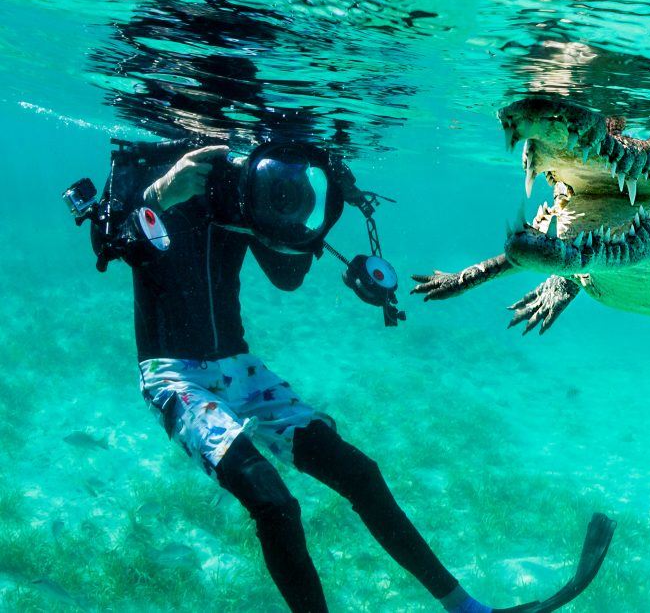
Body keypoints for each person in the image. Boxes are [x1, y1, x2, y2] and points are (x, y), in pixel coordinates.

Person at [125, 141, 611, 613]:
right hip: (173, 373)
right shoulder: (146, 159)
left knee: (361, 473)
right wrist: (161, 193)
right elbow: (108, 242)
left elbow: (286, 277)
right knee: (274, 502)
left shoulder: (244, 171)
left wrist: (296, 214)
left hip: (238, 366)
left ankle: (464, 607)